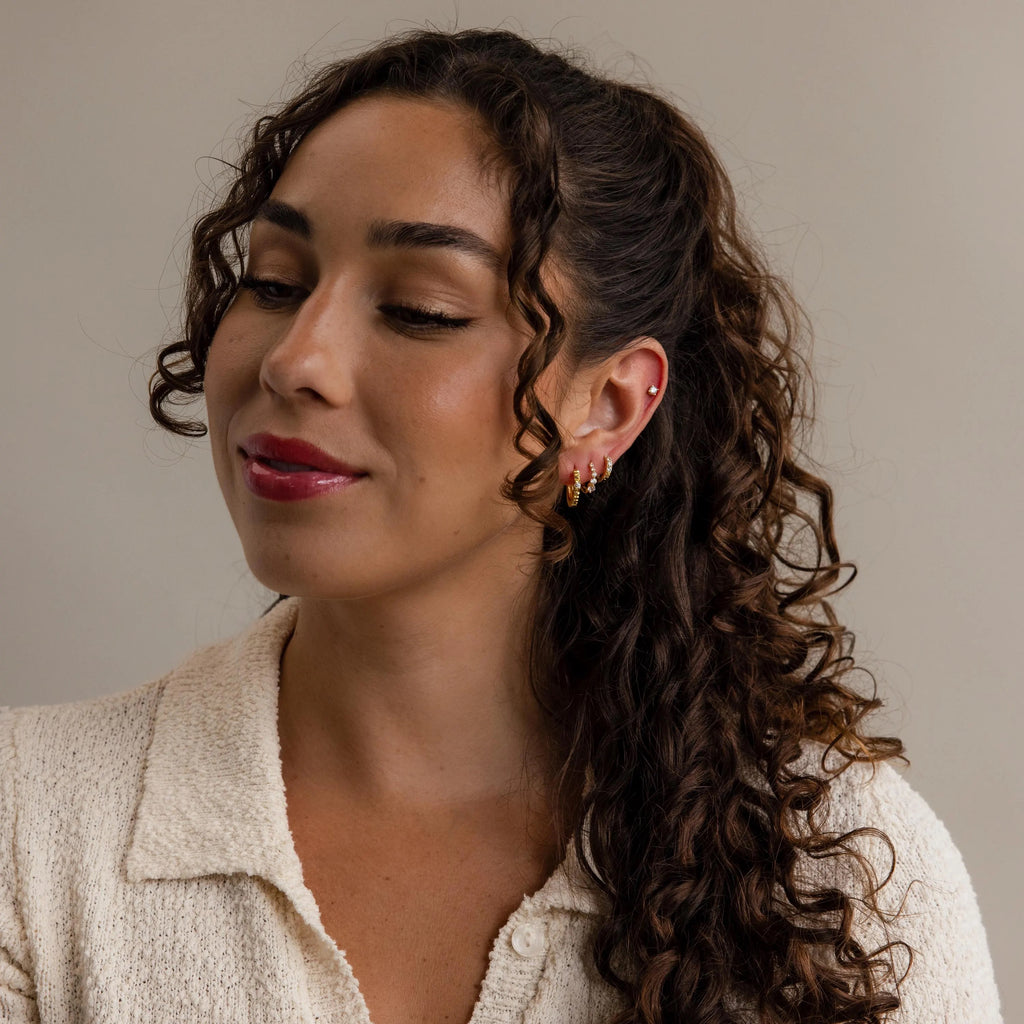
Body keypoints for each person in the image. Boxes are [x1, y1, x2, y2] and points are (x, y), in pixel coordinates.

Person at [0, 27, 1002, 1024]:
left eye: (421, 309)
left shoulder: (841, 862)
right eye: (274, 282)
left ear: (607, 405)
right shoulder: (29, 828)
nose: (294, 360)